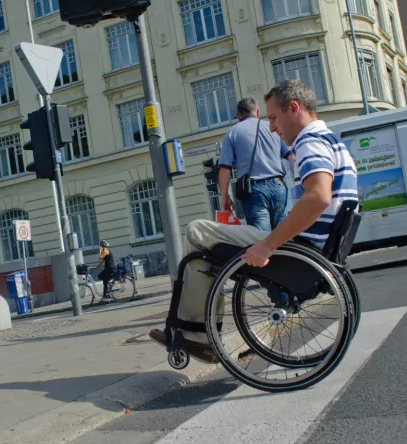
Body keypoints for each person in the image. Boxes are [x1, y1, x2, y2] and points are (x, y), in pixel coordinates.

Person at [149, 80, 359, 362]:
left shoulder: (309, 141)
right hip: (315, 247)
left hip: (299, 253)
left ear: (293, 108)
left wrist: (269, 244)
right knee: (210, 251)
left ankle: (197, 334)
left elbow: (318, 197)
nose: (271, 127)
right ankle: (198, 331)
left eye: (273, 118)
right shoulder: (334, 143)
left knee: (197, 231)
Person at [217, 98, 291, 232]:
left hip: (255, 191)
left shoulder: (232, 133)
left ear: (238, 115)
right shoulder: (273, 128)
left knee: (262, 238)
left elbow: (224, 168)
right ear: (257, 112)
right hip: (279, 186)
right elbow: (291, 156)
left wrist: (224, 196)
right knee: (281, 236)